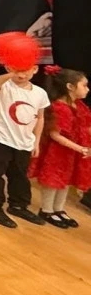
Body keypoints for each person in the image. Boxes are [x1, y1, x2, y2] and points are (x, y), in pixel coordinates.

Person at [0, 61, 50, 228]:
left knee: (20, 175)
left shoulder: (40, 93)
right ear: (8, 68)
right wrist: (11, 74)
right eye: (17, 70)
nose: (22, 74)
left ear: (35, 69)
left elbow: (40, 117)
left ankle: (18, 206)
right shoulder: (5, 86)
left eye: (26, 70)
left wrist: (36, 141)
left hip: (24, 142)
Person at [30, 66, 91, 228]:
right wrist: (80, 148)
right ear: (70, 87)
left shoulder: (80, 106)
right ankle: (46, 209)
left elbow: (85, 126)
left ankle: (59, 209)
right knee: (53, 180)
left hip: (72, 152)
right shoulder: (59, 108)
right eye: (84, 85)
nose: (87, 89)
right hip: (57, 152)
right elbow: (55, 135)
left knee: (66, 181)